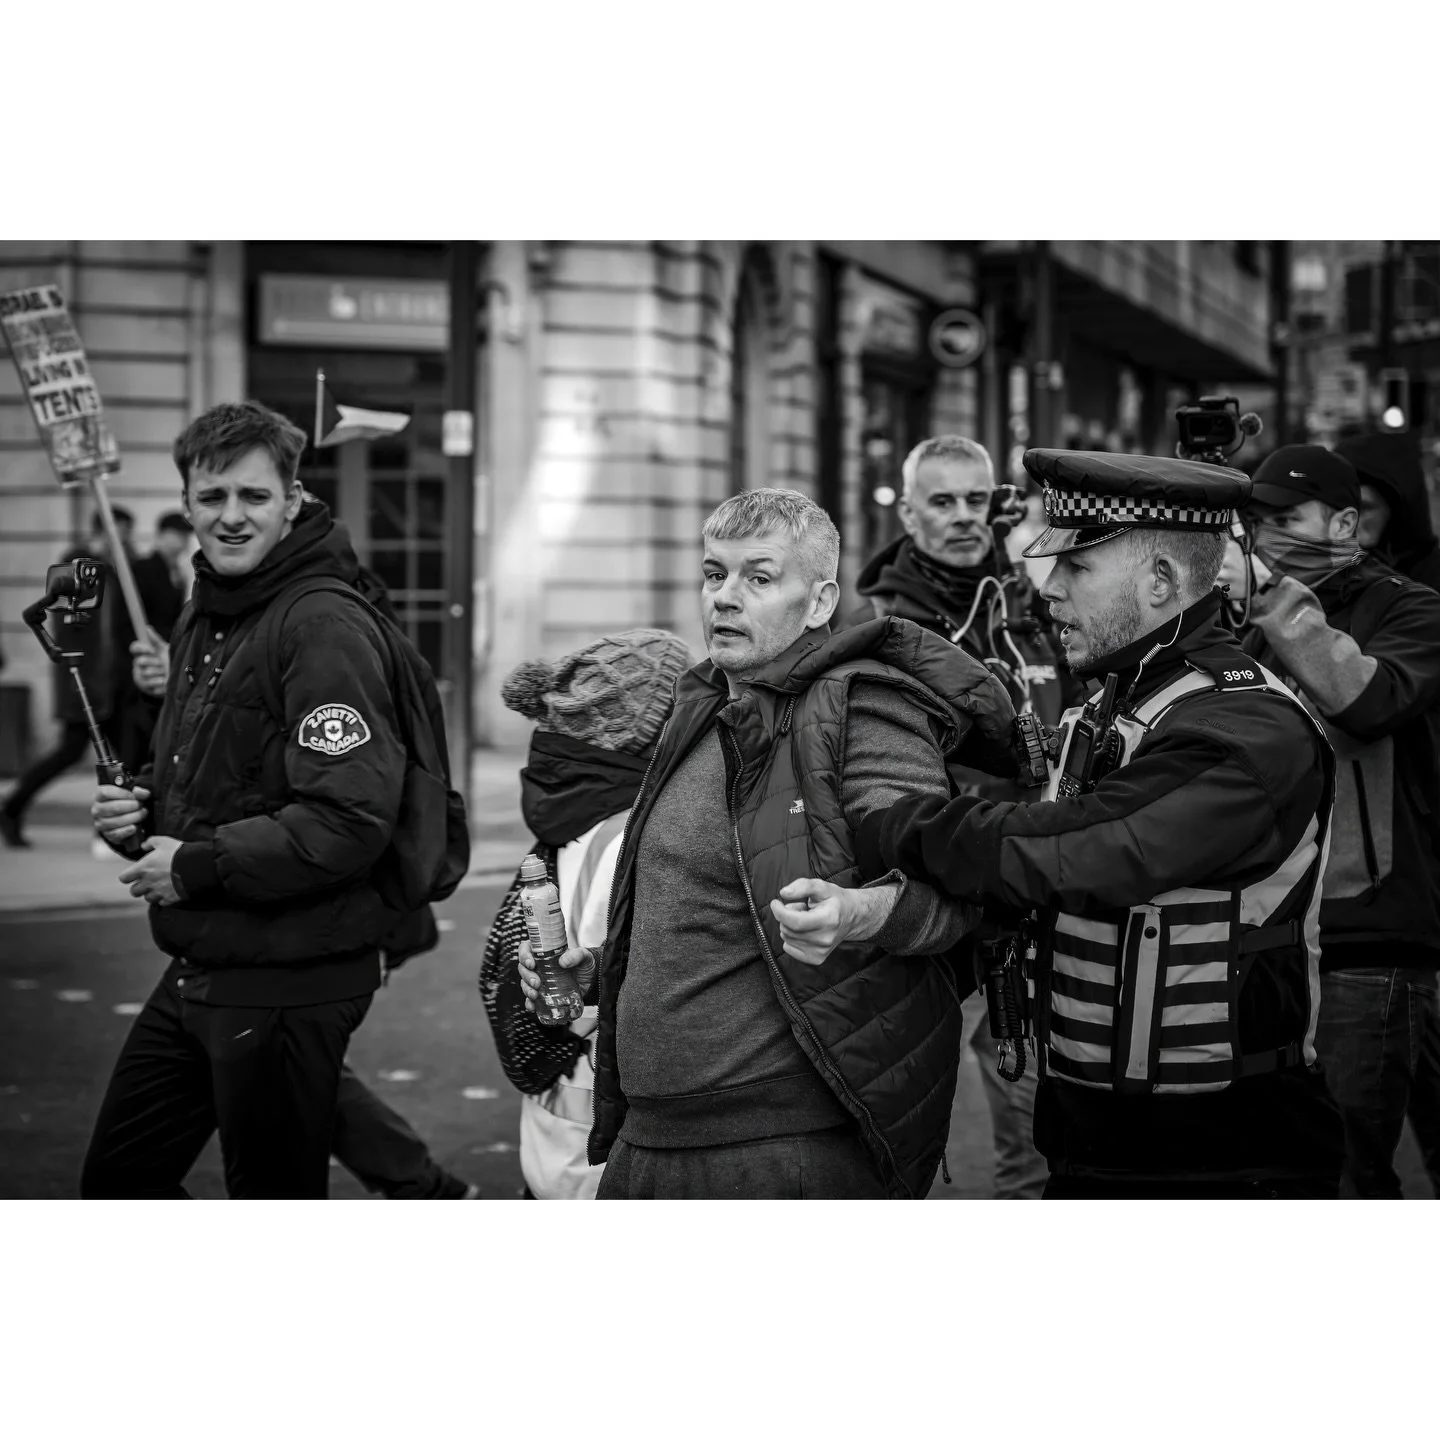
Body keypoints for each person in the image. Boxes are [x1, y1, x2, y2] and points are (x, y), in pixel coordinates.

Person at [848, 448, 1346, 1199]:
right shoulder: (1113, 700)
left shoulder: (1243, 723)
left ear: (1162, 582)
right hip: (1096, 1137)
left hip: (1223, 1158)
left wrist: (889, 824)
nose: (1048, 590)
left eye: (1077, 569)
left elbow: (1080, 850)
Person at [520, 488, 1014, 1199]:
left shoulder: (864, 712)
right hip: (651, 1136)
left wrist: (857, 912)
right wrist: (596, 971)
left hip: (779, 1148)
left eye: (759, 577)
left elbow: (952, 894)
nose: (724, 597)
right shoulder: (702, 703)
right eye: (714, 573)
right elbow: (694, 904)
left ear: (818, 602)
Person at [82, 400, 409, 1199]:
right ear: (188, 505)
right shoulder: (209, 607)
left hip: (291, 972)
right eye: (213, 497)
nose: (231, 517)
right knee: (121, 1184)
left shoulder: (320, 623)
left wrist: (192, 865)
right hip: (208, 955)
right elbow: (218, 775)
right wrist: (143, 813)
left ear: (292, 501)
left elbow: (347, 818)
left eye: (254, 497)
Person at [850, 434, 1079, 1199]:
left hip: (1029, 896)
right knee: (893, 1136)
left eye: (974, 500)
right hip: (920, 898)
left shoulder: (1039, 603)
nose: (961, 517)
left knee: (1037, 1136)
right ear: (908, 511)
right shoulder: (873, 622)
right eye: (941, 501)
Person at [1230, 443, 1440, 1198]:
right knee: (1296, 1169)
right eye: (1256, 520)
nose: (1268, 534)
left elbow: (1366, 703)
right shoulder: (1251, 614)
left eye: (1287, 518)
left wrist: (1272, 599)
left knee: (1352, 1175)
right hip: (1273, 932)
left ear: (1346, 521)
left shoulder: (1411, 607)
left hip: (1369, 935)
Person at [485, 629, 691, 1199]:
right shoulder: (629, 836)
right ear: (651, 733)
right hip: (598, 1153)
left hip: (555, 1135)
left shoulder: (571, 812)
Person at [1335, 430, 1440, 1196]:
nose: (1348, 525)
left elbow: (1366, 703)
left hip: (1404, 894)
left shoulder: (1415, 601)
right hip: (1361, 904)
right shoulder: (1325, 594)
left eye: (1365, 509)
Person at [2, 511, 134, 850]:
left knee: (126, 756)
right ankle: (13, 807)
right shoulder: (79, 565)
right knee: (72, 752)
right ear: (104, 531)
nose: (124, 541)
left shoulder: (112, 569)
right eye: (119, 533)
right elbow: (70, 624)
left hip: (110, 681)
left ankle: (115, 829)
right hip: (85, 682)